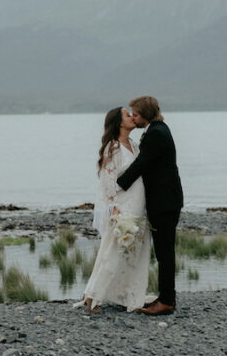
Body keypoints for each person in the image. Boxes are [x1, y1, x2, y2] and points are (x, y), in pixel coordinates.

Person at [77, 107, 153, 312]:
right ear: (119, 123)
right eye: (127, 115)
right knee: (114, 253)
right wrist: (113, 210)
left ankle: (130, 295)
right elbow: (107, 181)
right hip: (123, 207)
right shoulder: (113, 147)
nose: (132, 116)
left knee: (135, 254)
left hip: (138, 205)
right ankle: (93, 297)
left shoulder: (135, 146)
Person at [117, 95, 184, 316]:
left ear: (145, 113)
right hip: (166, 200)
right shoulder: (158, 129)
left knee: (164, 253)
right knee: (164, 252)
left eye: (135, 114)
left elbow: (141, 164)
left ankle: (166, 301)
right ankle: (166, 296)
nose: (133, 118)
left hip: (164, 202)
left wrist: (118, 184)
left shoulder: (156, 133)